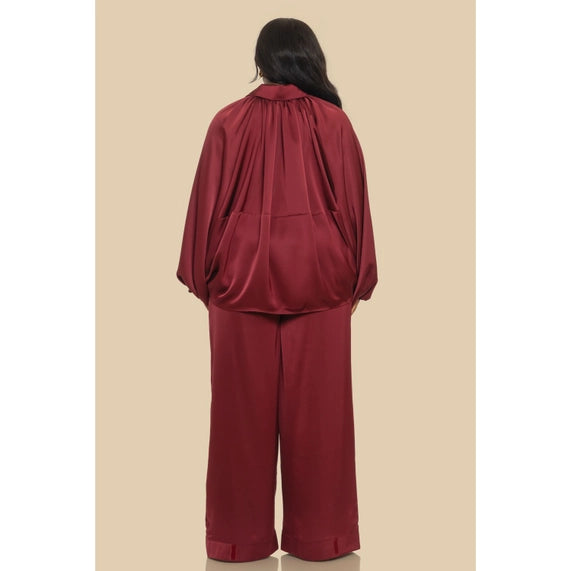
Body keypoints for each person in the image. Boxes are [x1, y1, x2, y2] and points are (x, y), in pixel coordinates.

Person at [176, 17, 379, 563]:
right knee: (323, 423)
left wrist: (207, 277)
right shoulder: (335, 124)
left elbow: (205, 207)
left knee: (236, 423)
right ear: (310, 58)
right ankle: (323, 538)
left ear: (261, 61)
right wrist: (356, 279)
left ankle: (236, 541)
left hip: (238, 287)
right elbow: (355, 206)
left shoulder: (227, 122)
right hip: (323, 286)